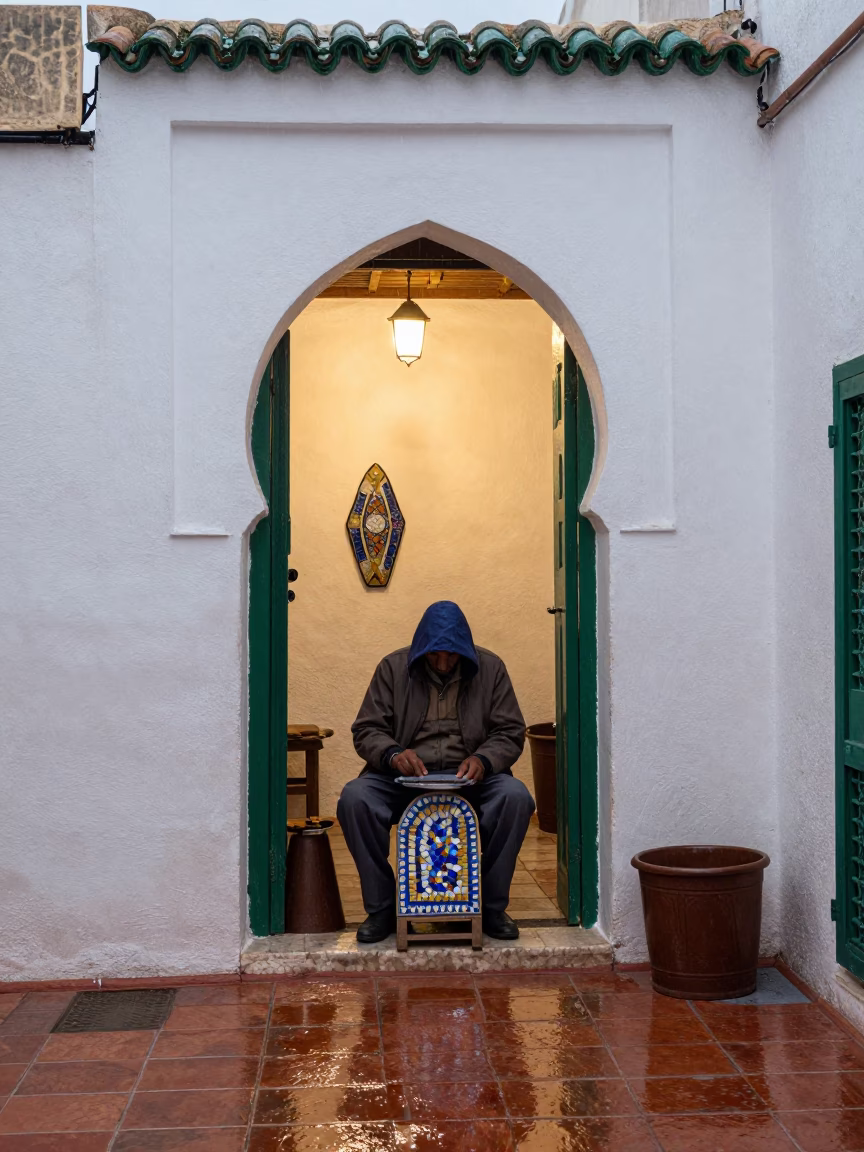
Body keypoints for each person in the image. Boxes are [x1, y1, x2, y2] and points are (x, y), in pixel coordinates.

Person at [337, 600, 535, 943]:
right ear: (420, 650)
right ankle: (383, 907)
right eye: (434, 656)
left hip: (471, 778)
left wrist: (484, 760)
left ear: (466, 651)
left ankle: (490, 906)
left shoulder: (491, 668)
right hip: (401, 778)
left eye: (452, 656)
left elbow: (510, 731)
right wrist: (393, 754)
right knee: (355, 800)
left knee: (515, 798)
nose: (443, 665)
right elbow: (366, 729)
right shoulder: (392, 668)